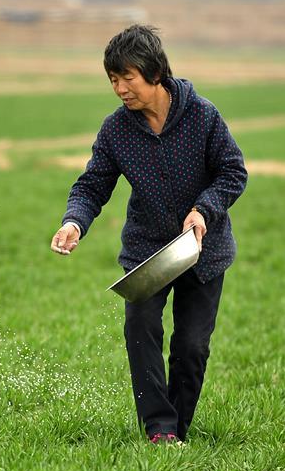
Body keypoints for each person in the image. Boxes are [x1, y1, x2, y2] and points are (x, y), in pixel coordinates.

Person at [50, 24, 248, 445]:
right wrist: (74, 222)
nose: (120, 88)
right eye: (113, 80)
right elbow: (92, 185)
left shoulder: (203, 116)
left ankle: (179, 424)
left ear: (155, 72)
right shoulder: (116, 130)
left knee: (192, 347)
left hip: (202, 250)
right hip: (147, 251)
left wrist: (203, 210)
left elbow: (234, 172)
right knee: (140, 332)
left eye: (128, 77)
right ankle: (160, 429)